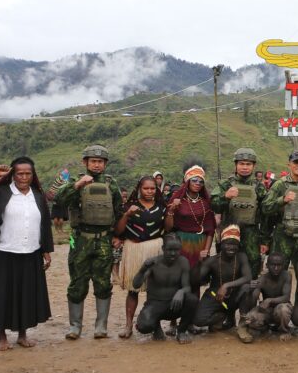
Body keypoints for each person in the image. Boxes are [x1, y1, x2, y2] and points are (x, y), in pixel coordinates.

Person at [0, 158, 54, 351]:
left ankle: (22, 335)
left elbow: (44, 225)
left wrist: (46, 250)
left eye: (28, 174)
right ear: (13, 174)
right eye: (20, 173)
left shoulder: (37, 195)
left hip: (30, 252)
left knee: (26, 295)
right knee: (2, 295)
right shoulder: (1, 192)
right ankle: (1, 337)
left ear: (33, 175)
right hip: (3, 252)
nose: (24, 177)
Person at [54, 144, 123, 340]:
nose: (96, 165)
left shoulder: (111, 184)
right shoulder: (76, 181)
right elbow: (59, 200)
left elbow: (119, 211)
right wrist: (77, 186)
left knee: (103, 284)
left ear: (105, 164)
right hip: (80, 240)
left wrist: (118, 235)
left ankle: (101, 326)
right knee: (77, 283)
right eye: (93, 161)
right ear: (85, 162)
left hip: (103, 240)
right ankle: (75, 326)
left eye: (100, 162)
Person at [113, 175, 171, 339]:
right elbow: (118, 231)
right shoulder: (129, 206)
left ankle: (156, 325)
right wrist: (126, 215)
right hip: (134, 249)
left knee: (155, 290)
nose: (149, 191)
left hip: (155, 248)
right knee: (133, 289)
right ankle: (128, 325)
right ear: (139, 188)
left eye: (152, 188)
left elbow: (168, 228)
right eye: (146, 188)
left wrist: (170, 213)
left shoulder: (161, 207)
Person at [211, 149, 268, 277]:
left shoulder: (259, 187)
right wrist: (225, 196)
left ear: (253, 166)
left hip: (251, 233)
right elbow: (213, 205)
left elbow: (265, 214)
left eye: (248, 164)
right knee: (226, 266)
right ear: (236, 165)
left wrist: (264, 240)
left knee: (253, 265)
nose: (245, 167)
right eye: (241, 164)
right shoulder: (225, 184)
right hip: (229, 232)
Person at [262, 150, 298, 270]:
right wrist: (282, 200)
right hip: (282, 236)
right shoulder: (280, 185)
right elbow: (265, 208)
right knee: (277, 274)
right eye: (296, 162)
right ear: (289, 164)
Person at [132, 234, 196, 343]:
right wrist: (143, 269)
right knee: (143, 326)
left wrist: (181, 291)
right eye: (169, 250)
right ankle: (156, 328)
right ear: (163, 249)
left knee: (192, 300)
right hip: (155, 304)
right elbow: (136, 285)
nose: (173, 253)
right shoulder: (153, 263)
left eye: (176, 250)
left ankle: (181, 331)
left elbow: (187, 287)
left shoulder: (183, 262)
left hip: (174, 304)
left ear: (180, 249)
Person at [194, 225, 253, 338]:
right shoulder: (213, 261)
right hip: (216, 296)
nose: (231, 247)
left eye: (234, 244)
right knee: (199, 320)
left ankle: (243, 326)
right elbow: (197, 279)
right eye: (228, 244)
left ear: (238, 246)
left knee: (246, 288)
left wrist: (226, 285)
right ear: (221, 245)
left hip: (234, 296)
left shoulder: (241, 257)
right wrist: (200, 262)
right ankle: (221, 317)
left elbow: (248, 277)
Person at [167, 165, 216, 272]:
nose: (198, 183)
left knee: (196, 279)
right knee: (180, 278)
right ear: (187, 182)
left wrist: (206, 250)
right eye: (194, 180)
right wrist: (171, 210)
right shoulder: (177, 201)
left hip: (200, 245)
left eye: (201, 181)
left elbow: (211, 230)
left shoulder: (205, 203)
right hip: (181, 244)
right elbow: (168, 228)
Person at [240, 252, 293, 341]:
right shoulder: (262, 279)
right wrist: (250, 290)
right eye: (273, 265)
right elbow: (253, 301)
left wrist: (270, 300)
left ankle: (284, 331)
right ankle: (265, 327)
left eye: (279, 265)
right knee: (250, 317)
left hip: (281, 306)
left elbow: (286, 297)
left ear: (283, 265)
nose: (276, 268)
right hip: (267, 310)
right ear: (267, 265)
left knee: (283, 310)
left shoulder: (286, 276)